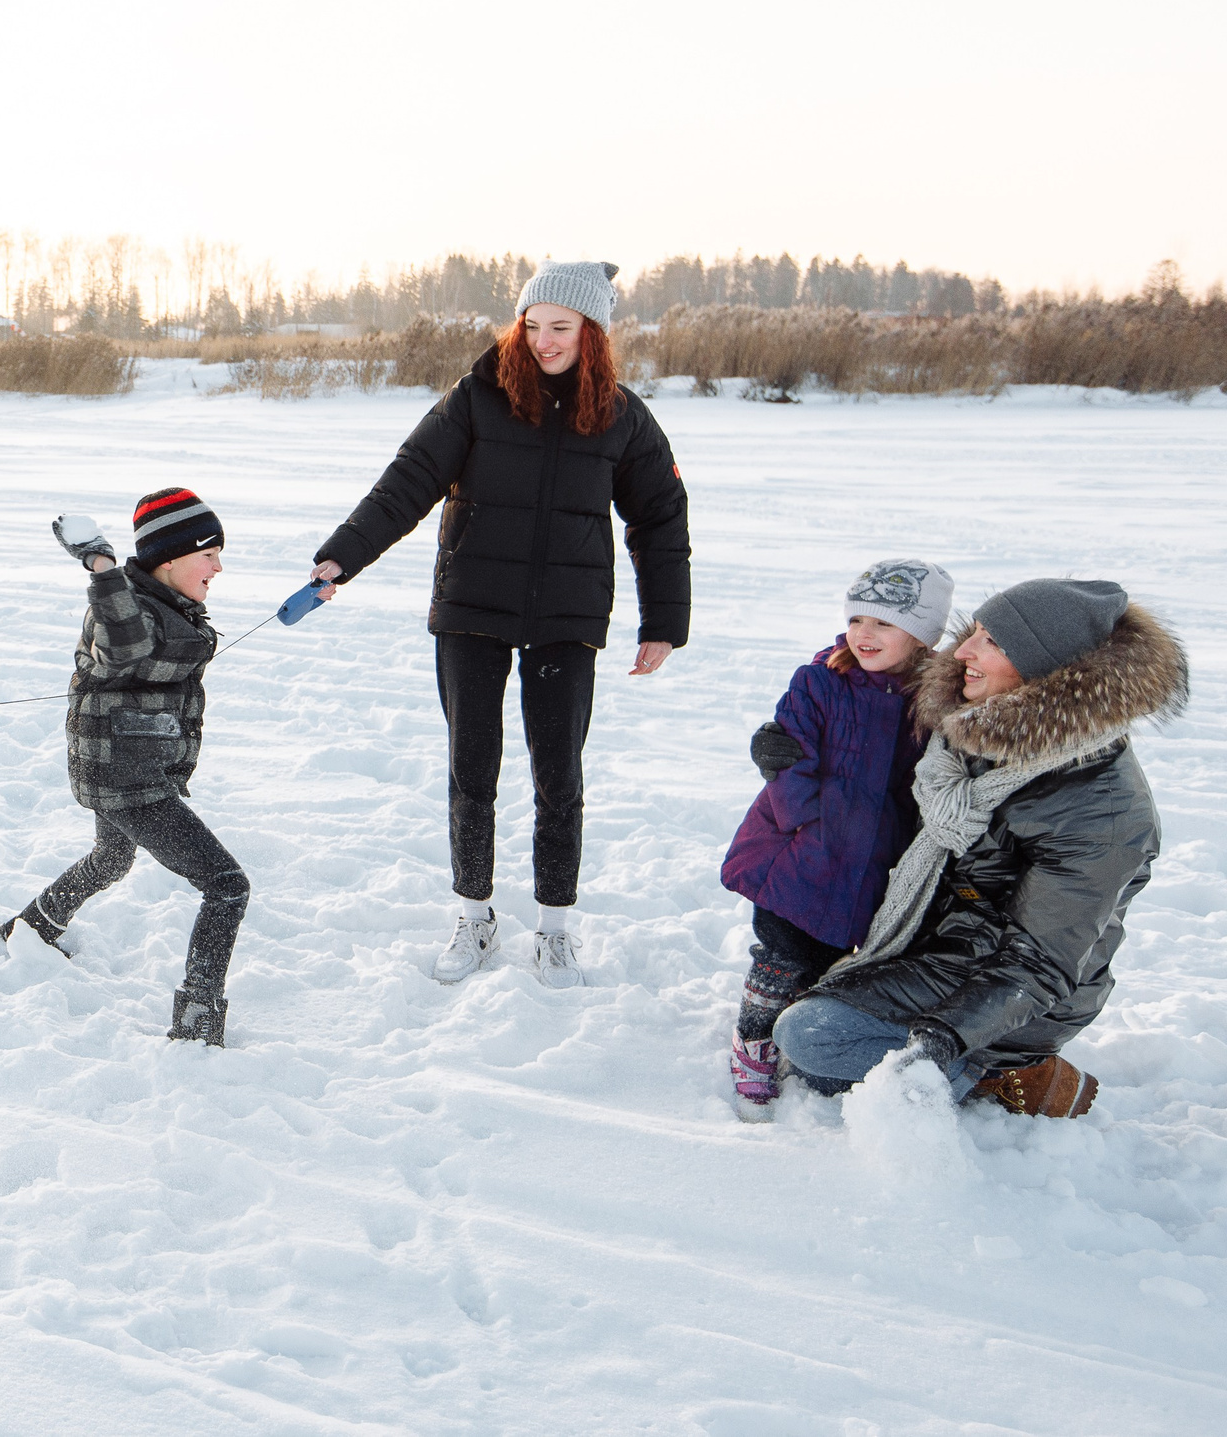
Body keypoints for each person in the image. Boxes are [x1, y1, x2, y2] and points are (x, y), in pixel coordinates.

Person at [308, 262, 690, 988]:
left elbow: (661, 520)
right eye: (533, 325)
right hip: (472, 609)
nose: (544, 341)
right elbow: (408, 480)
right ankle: (474, 915)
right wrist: (342, 558)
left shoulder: (622, 416)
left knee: (559, 776)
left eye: (562, 328)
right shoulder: (477, 398)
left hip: (566, 619)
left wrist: (664, 620)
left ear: (593, 334)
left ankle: (553, 929)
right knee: (471, 769)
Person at [776, 579, 1188, 1117]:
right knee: (814, 1049)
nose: (962, 650)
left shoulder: (1102, 811)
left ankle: (1011, 1077)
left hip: (1020, 992)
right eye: (972, 632)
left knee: (811, 1038)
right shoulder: (972, 734)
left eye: (991, 641)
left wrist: (943, 1039)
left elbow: (1040, 963)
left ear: (1046, 667)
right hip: (948, 949)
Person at [1, 489, 252, 1046]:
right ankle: (196, 1023)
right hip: (129, 780)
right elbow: (124, 646)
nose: (218, 566)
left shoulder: (163, 602)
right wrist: (102, 567)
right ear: (169, 559)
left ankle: (30, 929)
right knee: (227, 885)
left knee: (111, 858)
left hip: (124, 768)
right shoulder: (123, 608)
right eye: (208, 553)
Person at [719, 560, 954, 1105]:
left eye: (884, 624)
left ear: (921, 636)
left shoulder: (931, 701)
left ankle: (800, 1023)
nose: (864, 634)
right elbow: (791, 755)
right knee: (781, 950)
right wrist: (806, 821)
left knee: (831, 952)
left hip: (871, 856)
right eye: (857, 619)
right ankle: (754, 1038)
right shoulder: (820, 680)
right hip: (797, 846)